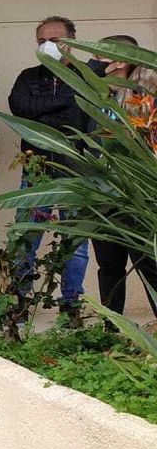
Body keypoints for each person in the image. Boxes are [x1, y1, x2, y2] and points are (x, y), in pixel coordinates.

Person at [8, 16, 92, 314]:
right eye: (42, 40)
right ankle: (20, 302)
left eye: (55, 40)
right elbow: (20, 108)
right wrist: (63, 103)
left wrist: (42, 115)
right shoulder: (28, 77)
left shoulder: (86, 77)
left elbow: (79, 119)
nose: (48, 46)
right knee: (26, 236)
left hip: (75, 169)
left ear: (71, 42)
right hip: (37, 169)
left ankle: (71, 305)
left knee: (75, 243)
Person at [91, 36, 157, 315]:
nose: (93, 61)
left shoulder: (145, 96)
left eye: (99, 56)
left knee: (147, 262)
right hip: (103, 191)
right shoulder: (98, 94)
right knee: (108, 265)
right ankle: (111, 325)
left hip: (138, 192)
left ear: (120, 60)